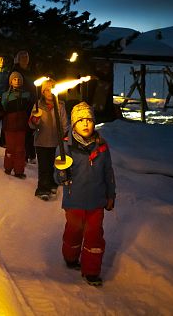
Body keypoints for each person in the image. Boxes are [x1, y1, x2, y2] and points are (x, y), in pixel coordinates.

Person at [54, 101, 116, 286]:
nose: (86, 123)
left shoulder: (102, 146)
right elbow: (58, 176)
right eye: (80, 120)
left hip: (97, 202)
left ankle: (91, 271)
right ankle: (71, 257)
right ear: (73, 124)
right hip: (75, 201)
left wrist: (111, 195)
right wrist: (62, 174)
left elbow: (108, 172)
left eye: (89, 119)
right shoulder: (65, 146)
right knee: (74, 231)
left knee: (94, 236)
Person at [29, 78, 69, 201]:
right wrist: (35, 121)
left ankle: (51, 183)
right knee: (44, 166)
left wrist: (64, 134)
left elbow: (64, 123)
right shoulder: (38, 105)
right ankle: (42, 188)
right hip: (41, 141)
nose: (50, 91)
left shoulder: (60, 105)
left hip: (54, 141)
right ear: (42, 92)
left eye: (52, 88)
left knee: (51, 164)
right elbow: (31, 125)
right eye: (47, 89)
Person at [0, 71, 33, 179]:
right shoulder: (5, 95)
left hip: (22, 125)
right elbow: (2, 110)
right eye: (14, 79)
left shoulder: (26, 95)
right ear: (10, 82)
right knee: (10, 148)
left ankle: (19, 170)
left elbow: (29, 109)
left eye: (19, 79)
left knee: (20, 149)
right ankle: (8, 167)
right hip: (9, 125)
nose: (17, 81)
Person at [12, 50, 37, 163]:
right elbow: (13, 88)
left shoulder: (31, 71)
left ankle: (31, 154)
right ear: (18, 59)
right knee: (23, 130)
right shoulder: (16, 71)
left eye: (26, 58)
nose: (25, 60)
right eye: (22, 58)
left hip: (32, 103)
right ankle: (25, 154)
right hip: (20, 105)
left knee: (31, 129)